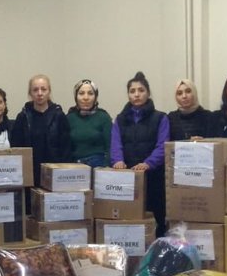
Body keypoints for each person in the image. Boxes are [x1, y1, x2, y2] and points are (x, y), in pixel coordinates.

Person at [111, 72, 170, 236]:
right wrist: (117, 160)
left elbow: (163, 145)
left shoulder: (160, 118)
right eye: (132, 91)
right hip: (128, 178)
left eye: (141, 90)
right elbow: (116, 143)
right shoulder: (120, 119)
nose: (136, 94)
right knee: (130, 222)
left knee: (156, 220)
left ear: (148, 93)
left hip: (153, 177)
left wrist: (148, 163)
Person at [11, 74, 71, 187]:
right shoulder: (23, 117)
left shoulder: (59, 116)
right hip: (29, 173)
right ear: (30, 93)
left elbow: (66, 148)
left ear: (49, 91)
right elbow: (16, 147)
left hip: (54, 172)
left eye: (43, 89)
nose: (40, 93)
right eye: (35, 90)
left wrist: (62, 172)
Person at [67, 79, 112, 168]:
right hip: (75, 166)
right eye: (81, 93)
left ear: (95, 97)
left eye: (90, 93)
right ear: (76, 96)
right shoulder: (69, 118)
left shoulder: (104, 117)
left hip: (98, 164)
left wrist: (105, 168)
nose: (86, 97)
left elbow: (110, 147)